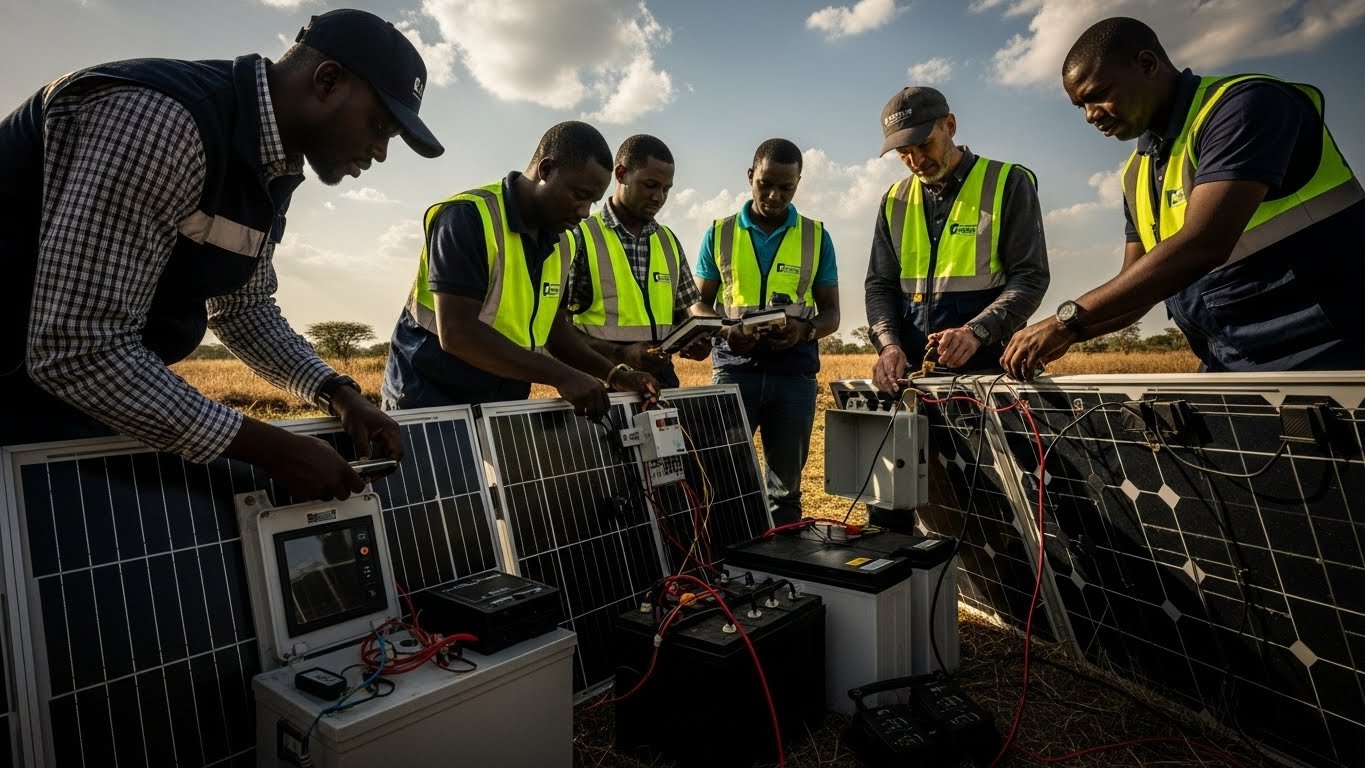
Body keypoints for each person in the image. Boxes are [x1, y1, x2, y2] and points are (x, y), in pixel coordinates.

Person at [0, 8, 442, 501]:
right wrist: (274, 449)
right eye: (379, 126)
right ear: (328, 80)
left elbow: (241, 306)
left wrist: (339, 394)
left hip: (67, 405)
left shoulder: (271, 165)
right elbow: (76, 345)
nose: (380, 151)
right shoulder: (163, 122)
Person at [1002, 16, 1365, 377]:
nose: (1090, 116)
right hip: (1232, 363)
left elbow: (1204, 243)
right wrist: (1070, 335)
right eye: (1079, 106)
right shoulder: (1136, 171)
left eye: (1097, 95)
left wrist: (1066, 319)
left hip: (1331, 354)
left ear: (1147, 64)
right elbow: (1137, 289)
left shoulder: (1245, 105)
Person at [382, 121, 659, 419]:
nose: (584, 212)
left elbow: (554, 330)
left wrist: (616, 374)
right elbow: (457, 331)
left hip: (502, 403)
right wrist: (561, 376)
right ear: (546, 170)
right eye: (579, 195)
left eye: (592, 201)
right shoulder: (467, 217)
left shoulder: (562, 241)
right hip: (430, 402)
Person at [694, 138, 840, 524]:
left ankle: (784, 574)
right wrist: (726, 332)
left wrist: (803, 331)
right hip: (733, 371)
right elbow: (698, 304)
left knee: (786, 491)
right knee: (723, 483)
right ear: (750, 177)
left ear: (798, 184)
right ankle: (726, 575)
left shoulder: (816, 236)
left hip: (794, 376)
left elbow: (832, 315)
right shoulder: (719, 234)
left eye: (786, 187)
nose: (774, 196)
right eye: (765, 184)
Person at [866, 86, 1049, 392]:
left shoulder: (1008, 183)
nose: (916, 160)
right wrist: (888, 346)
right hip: (914, 380)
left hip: (994, 376)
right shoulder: (894, 200)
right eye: (903, 153)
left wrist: (976, 331)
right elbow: (879, 285)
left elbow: (1030, 277)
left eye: (924, 145)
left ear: (949, 126)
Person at [565, 134, 717, 388]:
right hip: (602, 383)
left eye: (666, 189)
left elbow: (683, 313)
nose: (659, 197)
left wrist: (693, 340)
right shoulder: (580, 237)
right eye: (650, 185)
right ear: (621, 174)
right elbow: (556, 329)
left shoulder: (668, 240)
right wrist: (620, 354)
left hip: (662, 382)